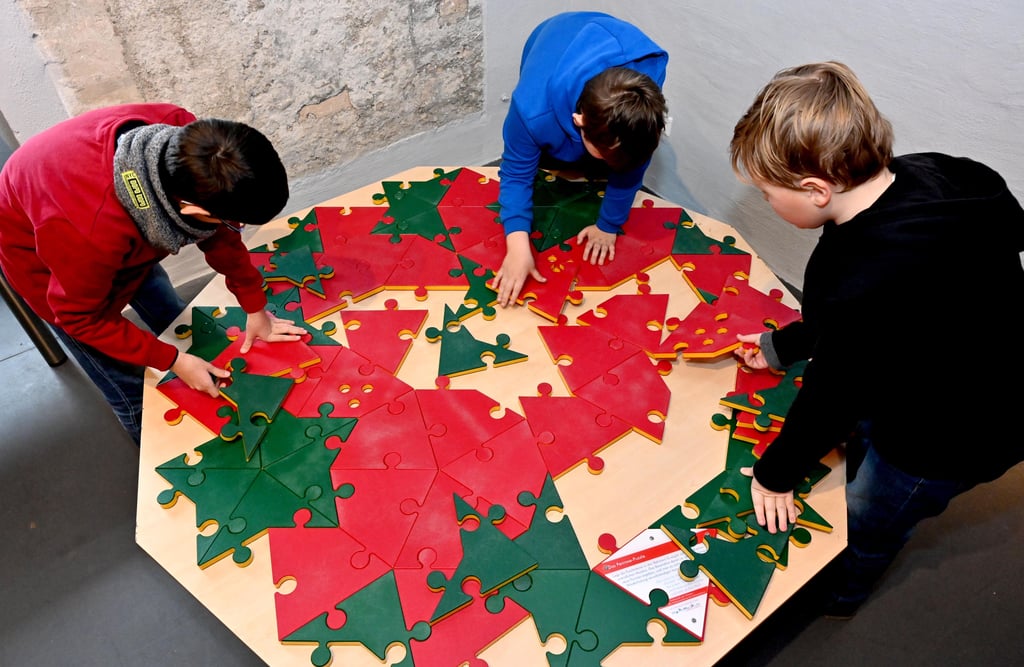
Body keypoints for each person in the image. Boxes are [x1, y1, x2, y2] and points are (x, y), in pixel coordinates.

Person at [729, 61, 1024, 618]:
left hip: (953, 432)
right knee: (863, 438)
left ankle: (843, 590)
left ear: (815, 190)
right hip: (981, 364)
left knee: (873, 512)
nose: (767, 203)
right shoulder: (945, 175)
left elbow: (833, 393)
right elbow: (851, 325)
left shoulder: (858, 278)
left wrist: (776, 475)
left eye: (768, 194)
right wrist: (781, 347)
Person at [0, 103, 306, 445]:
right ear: (191, 209)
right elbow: (78, 317)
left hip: (103, 218)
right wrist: (170, 360)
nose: (236, 226)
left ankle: (192, 361)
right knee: (125, 381)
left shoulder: (191, 141)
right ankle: (146, 435)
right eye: (228, 218)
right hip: (46, 257)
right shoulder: (92, 236)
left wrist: (254, 305)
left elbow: (219, 232)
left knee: (168, 307)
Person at [491, 11, 668, 307]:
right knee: (541, 147)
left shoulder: (644, 98)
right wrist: (518, 245)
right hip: (550, 36)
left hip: (615, 57)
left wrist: (608, 224)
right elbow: (516, 174)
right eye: (605, 154)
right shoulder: (532, 108)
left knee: (612, 157)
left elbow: (632, 165)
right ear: (579, 120)